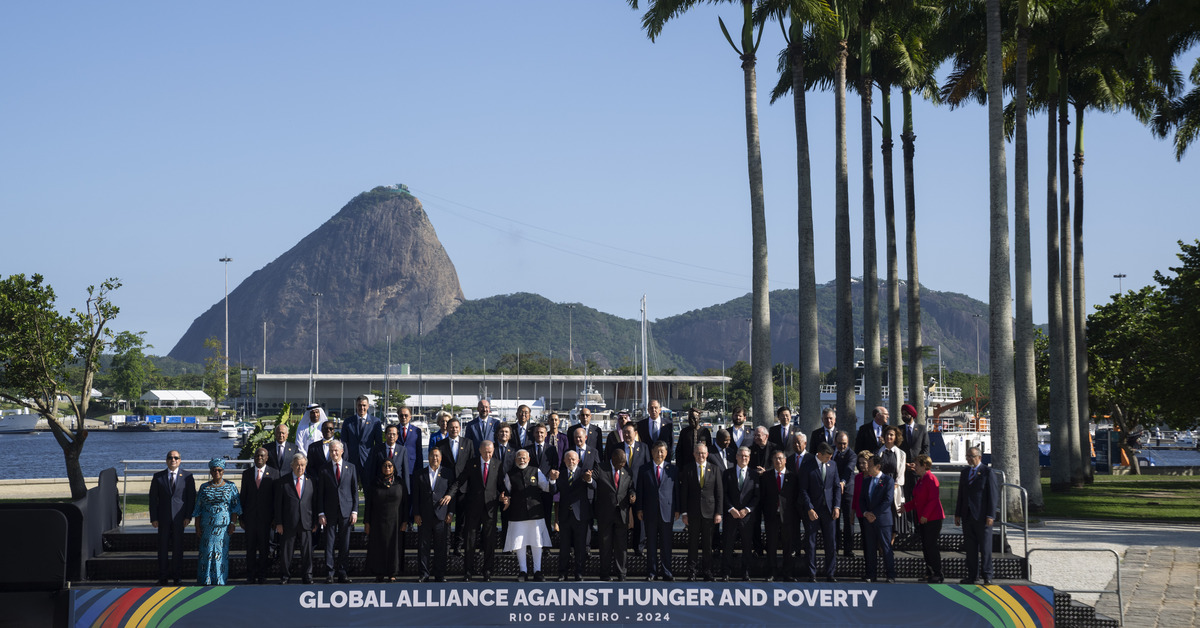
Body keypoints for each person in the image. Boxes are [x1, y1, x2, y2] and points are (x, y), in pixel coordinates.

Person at [502, 449, 558, 582]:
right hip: (517, 513)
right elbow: (506, 492)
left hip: (535, 513)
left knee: (537, 542)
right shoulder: (510, 474)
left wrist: (553, 481)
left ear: (529, 459)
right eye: (519, 458)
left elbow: (547, 488)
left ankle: (537, 571)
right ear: (515, 460)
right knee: (519, 543)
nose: (522, 460)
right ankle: (523, 571)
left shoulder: (536, 471)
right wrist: (505, 498)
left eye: (524, 458)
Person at [192, 457, 242, 585]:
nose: (217, 473)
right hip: (207, 526)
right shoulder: (204, 487)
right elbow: (198, 507)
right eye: (214, 470)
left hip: (223, 527)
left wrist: (232, 523)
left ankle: (220, 579)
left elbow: (235, 507)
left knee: (221, 553)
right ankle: (206, 579)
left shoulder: (231, 486)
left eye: (219, 470)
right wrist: (197, 526)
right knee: (207, 552)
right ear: (210, 471)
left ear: (223, 471)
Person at [149, 449, 195, 585]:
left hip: (180, 519)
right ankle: (163, 577)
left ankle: (177, 576)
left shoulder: (187, 476)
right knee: (162, 548)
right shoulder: (158, 477)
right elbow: (152, 499)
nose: (173, 460)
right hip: (163, 519)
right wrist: (154, 518)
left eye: (175, 458)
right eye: (170, 457)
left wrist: (188, 516)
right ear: (166, 460)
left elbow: (191, 498)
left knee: (177, 548)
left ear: (180, 460)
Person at [316, 440, 358, 583]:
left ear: (342, 451)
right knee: (329, 543)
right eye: (331, 450)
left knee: (345, 543)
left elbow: (355, 492)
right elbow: (320, 493)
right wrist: (321, 513)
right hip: (329, 512)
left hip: (346, 511)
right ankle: (330, 572)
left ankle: (343, 572)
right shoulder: (324, 469)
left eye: (336, 450)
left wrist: (355, 511)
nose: (333, 453)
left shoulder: (351, 467)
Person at [955, 446, 998, 585]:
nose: (968, 458)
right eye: (967, 456)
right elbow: (961, 494)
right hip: (967, 516)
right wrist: (957, 514)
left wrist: (991, 515)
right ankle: (972, 575)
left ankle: (987, 575)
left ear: (979, 457)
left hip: (982, 516)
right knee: (970, 548)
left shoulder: (987, 472)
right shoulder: (965, 472)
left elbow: (993, 495)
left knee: (985, 548)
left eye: (971, 456)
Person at [799, 443, 842, 582]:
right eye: (827, 457)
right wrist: (809, 508)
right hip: (813, 510)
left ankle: (830, 573)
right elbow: (803, 489)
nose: (829, 459)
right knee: (811, 543)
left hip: (829, 510)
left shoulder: (833, 465)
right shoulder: (807, 465)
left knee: (831, 542)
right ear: (819, 454)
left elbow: (836, 487)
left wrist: (837, 506)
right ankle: (812, 573)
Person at [461, 440, 503, 582]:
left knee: (489, 542)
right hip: (473, 508)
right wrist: (449, 494)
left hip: (490, 509)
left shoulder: (498, 464)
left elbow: (501, 485)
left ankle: (487, 571)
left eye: (490, 452)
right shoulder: (471, 463)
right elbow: (460, 481)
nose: (488, 454)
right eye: (485, 452)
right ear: (480, 450)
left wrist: (505, 495)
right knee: (469, 541)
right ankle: (468, 571)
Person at [636, 441, 678, 581]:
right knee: (651, 544)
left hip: (667, 511)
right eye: (657, 451)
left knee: (666, 544)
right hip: (650, 512)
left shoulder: (672, 469)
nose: (659, 454)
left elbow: (676, 491)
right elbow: (640, 490)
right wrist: (639, 508)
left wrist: (677, 509)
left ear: (666, 453)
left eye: (662, 451)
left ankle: (667, 571)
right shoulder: (644, 469)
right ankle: (652, 572)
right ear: (652, 452)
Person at [680, 443, 723, 581]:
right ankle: (691, 572)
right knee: (692, 544)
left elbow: (719, 493)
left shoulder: (715, 469)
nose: (701, 456)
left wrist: (719, 513)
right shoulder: (687, 469)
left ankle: (707, 571)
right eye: (698, 453)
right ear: (694, 454)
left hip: (710, 514)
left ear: (707, 454)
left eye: (703, 453)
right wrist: (684, 513)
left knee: (707, 545)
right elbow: (684, 493)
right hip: (692, 513)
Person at [413, 447, 454, 582]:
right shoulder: (420, 474)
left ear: (441, 458)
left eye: (437, 456)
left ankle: (439, 574)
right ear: (428, 457)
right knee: (423, 547)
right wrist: (416, 513)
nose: (434, 458)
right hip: (424, 517)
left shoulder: (448, 473)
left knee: (440, 547)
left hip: (441, 516)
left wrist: (451, 512)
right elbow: (416, 496)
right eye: (432, 456)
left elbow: (451, 494)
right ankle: (424, 574)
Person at [364, 458, 408, 582]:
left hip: (396, 522)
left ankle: (392, 572)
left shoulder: (400, 483)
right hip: (378, 521)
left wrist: (405, 521)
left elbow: (405, 503)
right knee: (378, 547)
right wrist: (367, 522)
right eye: (384, 466)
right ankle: (379, 572)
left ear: (394, 467)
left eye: (389, 466)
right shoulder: (374, 483)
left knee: (394, 548)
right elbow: (368, 504)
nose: (387, 468)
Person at [275, 453, 317, 585]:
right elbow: (277, 504)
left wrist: (315, 521)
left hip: (307, 522)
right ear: (292, 465)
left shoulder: (312, 481)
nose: (300, 467)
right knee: (287, 551)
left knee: (307, 551)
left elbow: (315, 503)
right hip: (288, 522)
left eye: (303, 465)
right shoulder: (283, 481)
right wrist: (279, 523)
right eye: (298, 465)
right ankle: (286, 575)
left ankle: (307, 575)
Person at [594, 448, 635, 581]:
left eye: (624, 463)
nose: (623, 465)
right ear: (613, 459)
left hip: (621, 514)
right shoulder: (601, 468)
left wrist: (632, 494)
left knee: (621, 546)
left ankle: (621, 573)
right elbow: (592, 482)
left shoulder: (627, 471)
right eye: (620, 463)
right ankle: (604, 573)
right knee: (605, 545)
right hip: (605, 513)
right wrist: (588, 478)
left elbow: (631, 487)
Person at [436, 417, 475, 555]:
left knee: (462, 520)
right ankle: (445, 547)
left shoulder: (468, 443)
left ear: (460, 428)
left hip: (464, 487)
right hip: (446, 487)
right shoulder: (440, 444)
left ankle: (458, 547)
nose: (454, 429)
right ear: (447, 428)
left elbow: (472, 465)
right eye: (451, 427)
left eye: (456, 427)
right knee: (446, 518)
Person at [904, 454, 945, 583]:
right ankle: (930, 572)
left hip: (932, 518)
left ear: (924, 466)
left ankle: (938, 573)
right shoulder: (921, 480)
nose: (914, 466)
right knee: (926, 546)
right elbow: (917, 500)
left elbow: (933, 500)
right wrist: (906, 507)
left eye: (917, 464)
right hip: (923, 518)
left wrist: (925, 515)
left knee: (931, 545)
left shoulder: (931, 479)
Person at [240, 447, 277, 584]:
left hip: (266, 520)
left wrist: (275, 518)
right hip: (250, 519)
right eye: (257, 456)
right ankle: (250, 575)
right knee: (250, 549)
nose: (259, 458)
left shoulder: (274, 473)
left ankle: (262, 575)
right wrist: (241, 517)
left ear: (267, 458)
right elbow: (243, 496)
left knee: (264, 549)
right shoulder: (247, 474)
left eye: (262, 456)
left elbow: (275, 499)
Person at [555, 450, 593, 581]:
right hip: (565, 516)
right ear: (564, 461)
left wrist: (589, 480)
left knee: (580, 547)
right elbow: (553, 490)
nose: (571, 461)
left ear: (578, 461)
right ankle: (562, 573)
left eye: (573, 459)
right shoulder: (561, 474)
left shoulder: (584, 473)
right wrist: (552, 480)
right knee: (564, 547)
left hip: (580, 516)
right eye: (568, 459)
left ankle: (579, 572)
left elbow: (593, 486)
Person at [722, 446, 759, 582]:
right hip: (731, 515)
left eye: (746, 457)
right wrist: (731, 508)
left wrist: (747, 509)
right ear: (736, 457)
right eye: (741, 456)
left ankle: (746, 573)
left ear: (749, 459)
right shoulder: (727, 473)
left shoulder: (754, 475)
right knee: (728, 545)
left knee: (747, 546)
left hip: (747, 517)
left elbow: (757, 496)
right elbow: (723, 494)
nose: (744, 458)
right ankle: (726, 572)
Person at [760, 450, 796, 581]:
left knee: (788, 546)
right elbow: (762, 497)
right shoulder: (766, 476)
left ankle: (787, 573)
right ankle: (772, 572)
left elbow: (795, 497)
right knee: (771, 546)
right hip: (771, 516)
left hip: (787, 517)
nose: (778, 461)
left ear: (785, 460)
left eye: (780, 458)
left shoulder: (792, 477)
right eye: (775, 458)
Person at [862, 454, 897, 583]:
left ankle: (890, 575)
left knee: (886, 548)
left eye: (869, 465)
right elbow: (862, 500)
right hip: (869, 521)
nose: (867, 467)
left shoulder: (888, 480)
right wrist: (866, 513)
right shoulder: (866, 481)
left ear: (877, 466)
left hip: (882, 521)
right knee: (870, 548)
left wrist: (874, 514)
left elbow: (887, 501)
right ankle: (871, 574)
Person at [343, 395, 382, 480]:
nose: (362, 407)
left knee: (368, 489)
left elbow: (378, 443)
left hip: (368, 460)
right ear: (356, 406)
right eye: (359, 405)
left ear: (368, 406)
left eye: (364, 405)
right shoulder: (348, 422)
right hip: (351, 460)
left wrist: (376, 460)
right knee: (351, 488)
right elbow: (344, 442)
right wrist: (345, 459)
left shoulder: (376, 422)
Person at [877, 425, 907, 533]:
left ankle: (889, 546)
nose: (889, 437)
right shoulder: (878, 453)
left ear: (896, 437)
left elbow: (901, 475)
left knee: (894, 519)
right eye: (887, 434)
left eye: (891, 435)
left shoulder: (901, 454)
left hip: (895, 488)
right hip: (880, 487)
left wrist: (893, 486)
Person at [832, 431, 858, 558]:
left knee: (848, 521)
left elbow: (849, 469)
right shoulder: (831, 452)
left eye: (845, 444)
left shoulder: (851, 454)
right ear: (835, 442)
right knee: (834, 519)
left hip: (847, 490)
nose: (842, 446)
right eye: (840, 443)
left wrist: (842, 482)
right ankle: (835, 547)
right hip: (833, 491)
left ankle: (848, 549)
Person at [368, 424, 411, 493]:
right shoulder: (377, 449)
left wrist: (407, 491)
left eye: (394, 434)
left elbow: (405, 472)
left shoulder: (402, 450)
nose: (391, 436)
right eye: (389, 434)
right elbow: (373, 470)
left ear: (397, 436)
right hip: (381, 487)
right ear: (385, 435)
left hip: (397, 486)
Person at [850, 451, 873, 565]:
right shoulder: (858, 477)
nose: (862, 466)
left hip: (871, 514)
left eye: (864, 463)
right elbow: (855, 497)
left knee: (871, 541)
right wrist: (852, 513)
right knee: (865, 540)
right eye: (860, 463)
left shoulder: (873, 477)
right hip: (860, 513)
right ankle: (867, 564)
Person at [394, 405, 423, 480]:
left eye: (406, 415)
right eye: (401, 415)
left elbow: (419, 451)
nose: (403, 417)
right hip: (397, 466)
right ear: (398, 416)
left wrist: (420, 469)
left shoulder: (417, 431)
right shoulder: (394, 430)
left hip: (412, 466)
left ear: (410, 416)